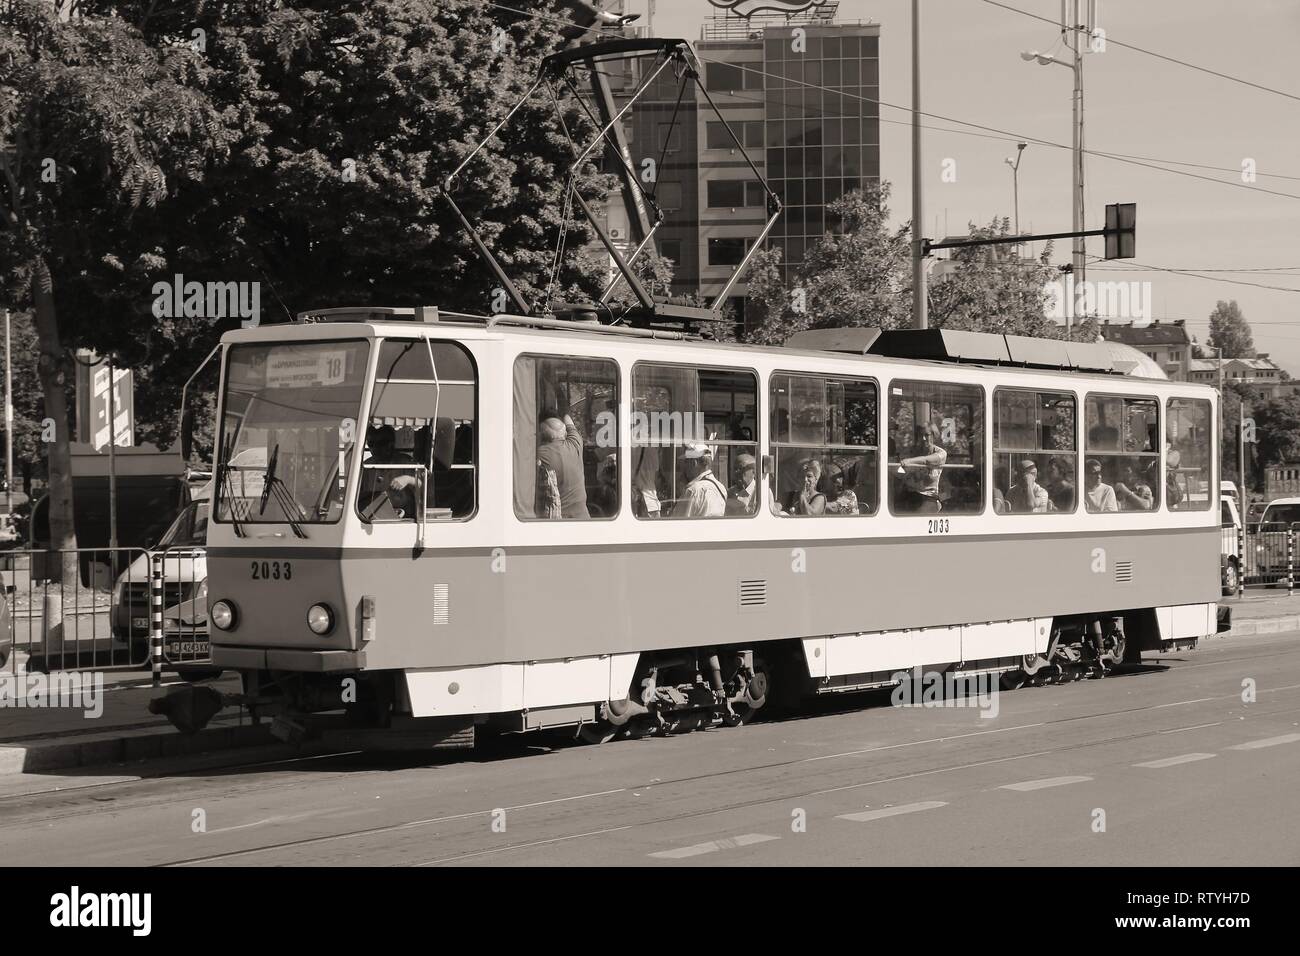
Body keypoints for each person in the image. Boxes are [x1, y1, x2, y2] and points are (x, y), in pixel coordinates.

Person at [536, 413, 589, 519]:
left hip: (558, 522)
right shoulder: (576, 444)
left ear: (541, 436)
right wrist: (559, 413)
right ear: (564, 434)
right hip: (584, 519)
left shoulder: (539, 454)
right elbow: (567, 418)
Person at [897, 422, 946, 513]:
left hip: (929, 497)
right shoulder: (913, 451)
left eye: (927, 435)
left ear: (933, 436)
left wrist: (909, 461)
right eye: (920, 435)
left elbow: (927, 460)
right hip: (910, 495)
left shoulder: (941, 453)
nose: (923, 439)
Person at [679, 443, 727, 517]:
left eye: (686, 462)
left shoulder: (693, 490)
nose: (684, 467)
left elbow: (680, 522)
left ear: (694, 463)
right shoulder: (721, 487)